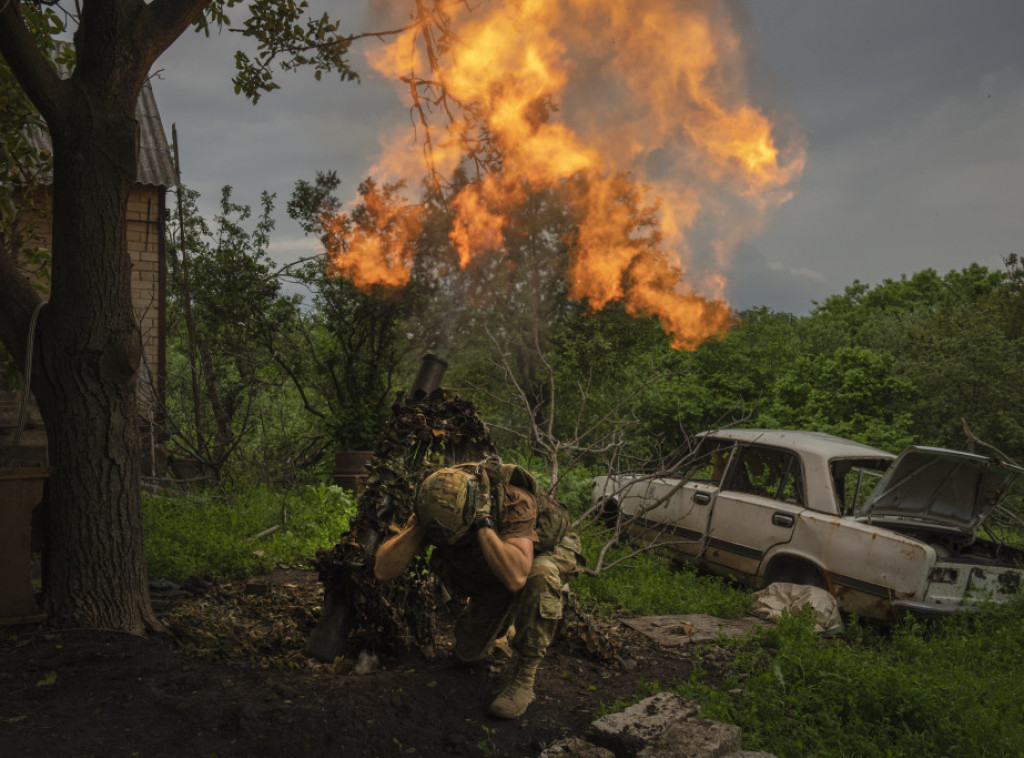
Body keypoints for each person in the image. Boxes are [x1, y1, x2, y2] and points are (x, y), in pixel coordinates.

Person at [373, 460, 582, 719]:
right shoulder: (436, 499)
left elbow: (517, 575)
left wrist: (483, 521)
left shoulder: (513, 500)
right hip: (499, 560)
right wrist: (418, 527)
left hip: (540, 550)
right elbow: (383, 570)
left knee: (539, 575)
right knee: (467, 655)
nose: (448, 542)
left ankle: (525, 677)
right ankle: (505, 618)